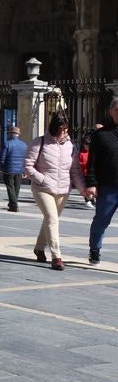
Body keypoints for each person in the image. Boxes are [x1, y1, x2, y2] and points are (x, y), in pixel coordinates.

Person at [24, 110, 84, 271]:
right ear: (54, 128)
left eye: (66, 129)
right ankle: (56, 256)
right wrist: (42, 179)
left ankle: (38, 247)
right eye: (61, 129)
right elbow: (27, 166)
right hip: (42, 187)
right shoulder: (39, 142)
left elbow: (75, 171)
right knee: (52, 218)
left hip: (63, 189)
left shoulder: (70, 146)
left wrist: (83, 190)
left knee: (50, 219)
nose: (65, 132)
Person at [85, 98, 118, 265]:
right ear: (111, 111)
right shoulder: (101, 135)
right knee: (101, 220)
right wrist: (91, 183)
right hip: (108, 187)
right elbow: (92, 162)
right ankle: (95, 249)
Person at [0, 125, 28, 212]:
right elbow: (26, 158)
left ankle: (14, 206)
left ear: (11, 134)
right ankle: (12, 203)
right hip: (19, 170)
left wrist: (2, 167)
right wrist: (24, 169)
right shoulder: (24, 145)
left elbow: (2, 158)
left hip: (9, 170)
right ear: (18, 134)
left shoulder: (7, 143)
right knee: (16, 188)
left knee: (10, 188)